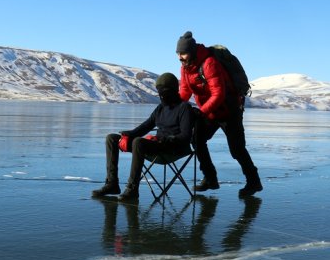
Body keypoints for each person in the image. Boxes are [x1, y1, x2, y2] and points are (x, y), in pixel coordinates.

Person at [176, 31, 263, 198]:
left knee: (237, 149)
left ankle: (254, 182)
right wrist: (175, 108)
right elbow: (186, 90)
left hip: (229, 111)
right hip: (210, 112)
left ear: (192, 51)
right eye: (178, 53)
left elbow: (218, 94)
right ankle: (210, 178)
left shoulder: (209, 63)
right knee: (197, 139)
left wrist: (201, 112)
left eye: (183, 53)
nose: (180, 57)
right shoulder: (185, 67)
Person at [92, 72, 194, 201]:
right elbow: (146, 126)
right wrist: (129, 134)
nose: (161, 94)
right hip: (156, 145)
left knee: (139, 142)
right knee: (112, 138)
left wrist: (164, 139)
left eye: (164, 90)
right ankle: (112, 184)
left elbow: (185, 136)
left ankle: (132, 189)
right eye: (159, 90)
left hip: (172, 148)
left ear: (173, 90)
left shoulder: (184, 108)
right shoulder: (161, 108)